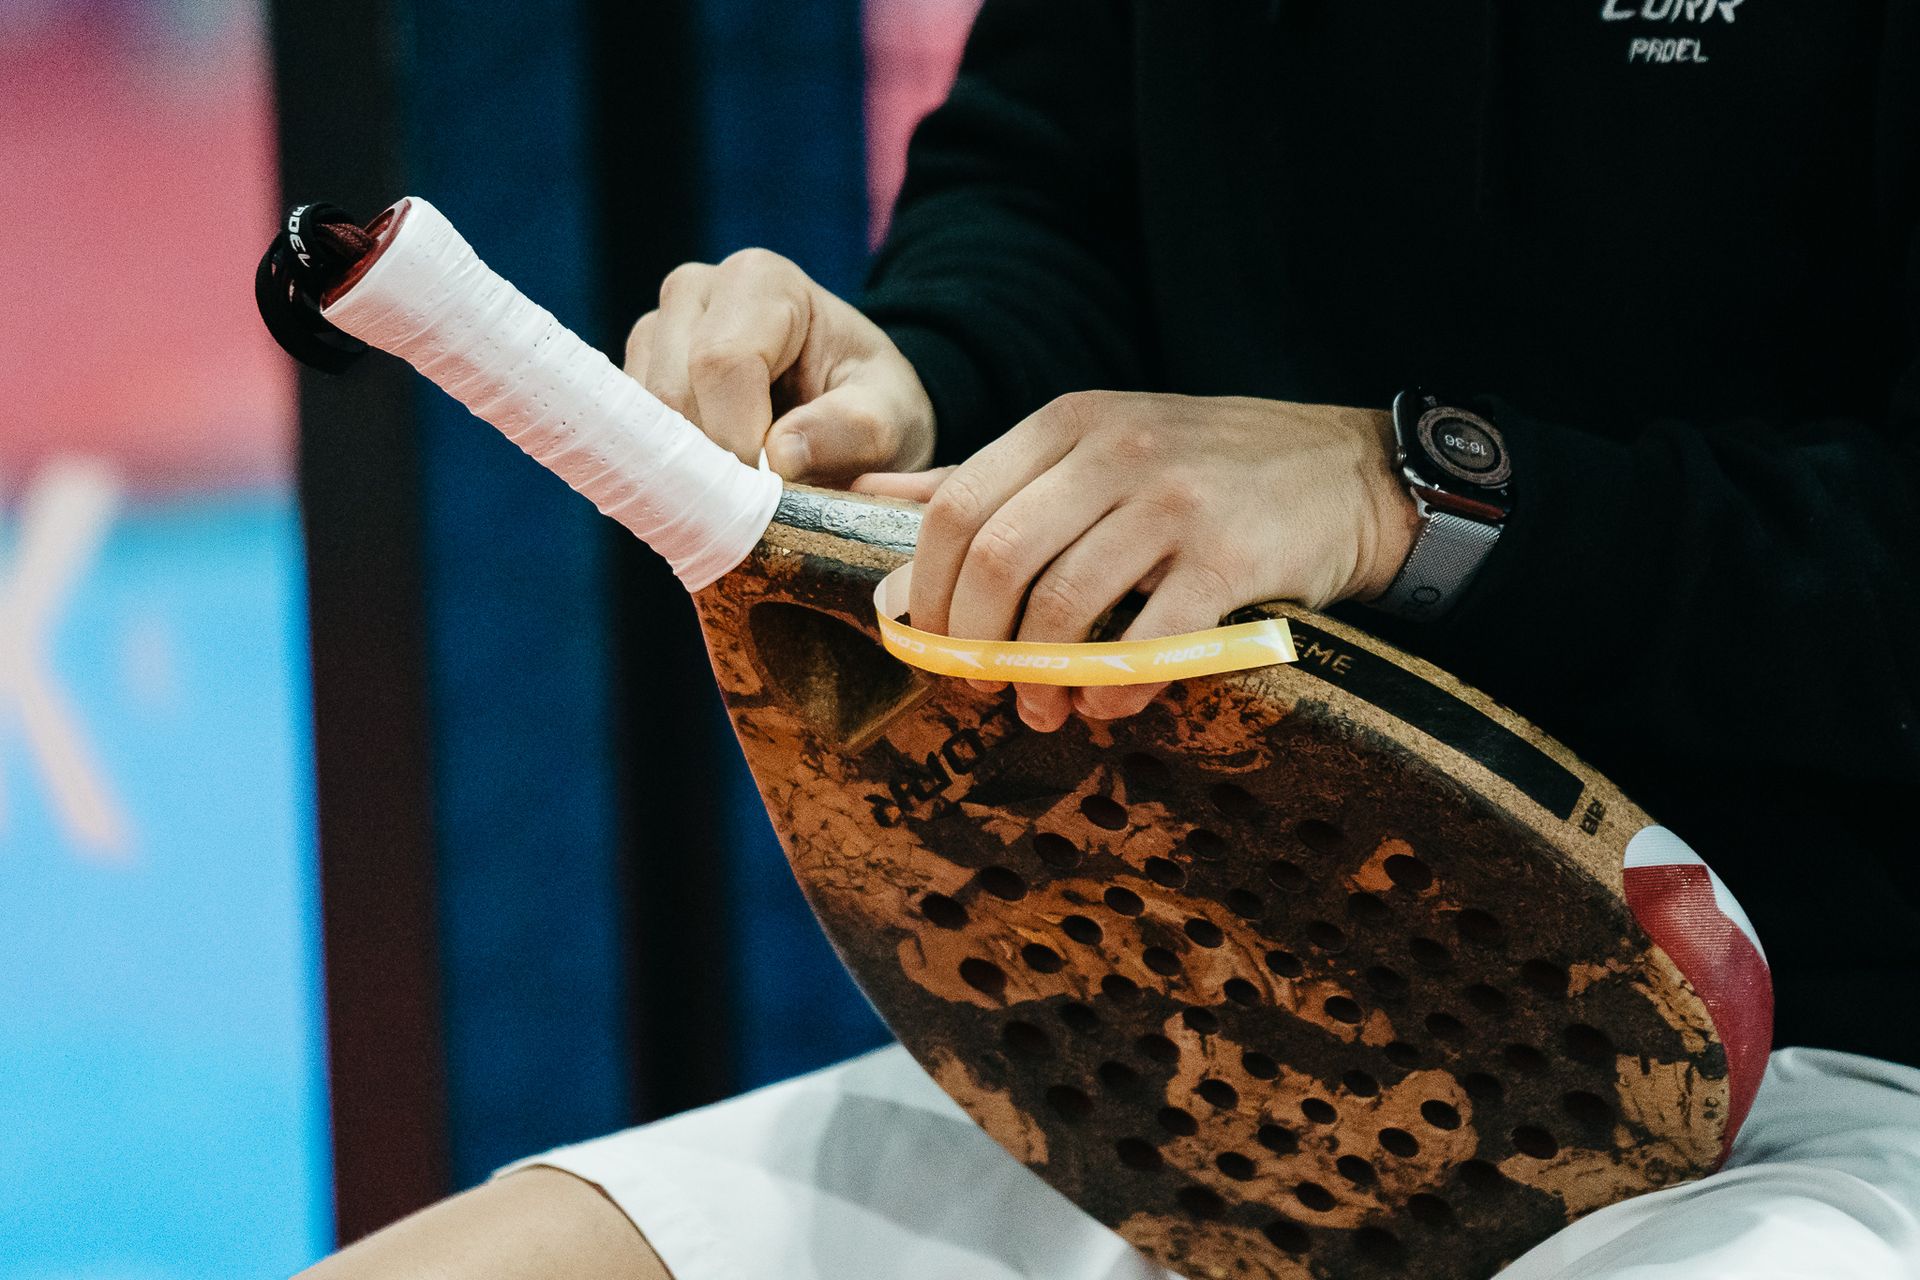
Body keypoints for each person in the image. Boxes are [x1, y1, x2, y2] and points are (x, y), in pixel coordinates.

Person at [298, 3, 1920, 1277]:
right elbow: (1046, 181)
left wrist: (1409, 490)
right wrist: (920, 375)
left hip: (1848, 1067)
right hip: (1193, 1036)